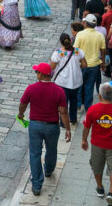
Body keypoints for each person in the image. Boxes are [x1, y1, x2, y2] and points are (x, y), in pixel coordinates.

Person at [17, 62, 71, 196]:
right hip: (52, 126)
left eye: (37, 72)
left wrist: (21, 114)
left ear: (41, 74)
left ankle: (36, 185)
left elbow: (23, 104)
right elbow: (63, 111)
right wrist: (68, 129)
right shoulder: (59, 91)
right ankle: (48, 170)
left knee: (35, 154)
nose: (36, 74)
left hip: (35, 126)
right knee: (51, 149)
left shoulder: (31, 88)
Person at [50, 33, 86, 124]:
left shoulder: (57, 53)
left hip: (62, 82)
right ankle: (73, 119)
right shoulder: (78, 51)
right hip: (76, 82)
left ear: (61, 43)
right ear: (70, 40)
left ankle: (63, 122)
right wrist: (76, 68)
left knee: (63, 103)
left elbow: (52, 67)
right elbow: (85, 65)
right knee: (73, 101)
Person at [74, 14, 106, 110]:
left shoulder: (80, 34)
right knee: (89, 86)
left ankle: (78, 104)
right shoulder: (100, 35)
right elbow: (103, 50)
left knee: (79, 85)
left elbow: (75, 50)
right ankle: (88, 106)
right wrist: (103, 63)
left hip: (81, 65)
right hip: (95, 65)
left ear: (85, 24)